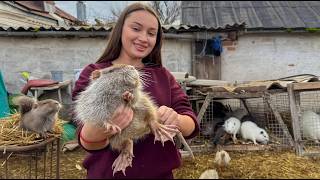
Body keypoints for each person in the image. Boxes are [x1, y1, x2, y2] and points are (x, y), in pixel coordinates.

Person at [72, 2, 199, 179]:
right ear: (121, 29)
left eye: (151, 33)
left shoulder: (163, 76)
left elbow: (191, 123)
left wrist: (176, 119)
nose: (143, 38)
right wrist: (106, 125)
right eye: (136, 28)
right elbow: (86, 139)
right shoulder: (95, 73)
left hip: (159, 175)